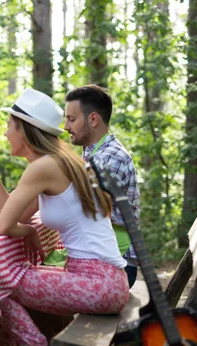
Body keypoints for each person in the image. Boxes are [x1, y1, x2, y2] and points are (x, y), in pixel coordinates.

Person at [0, 88, 129, 346]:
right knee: (1, 280)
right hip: (102, 279)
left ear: (24, 130)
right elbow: (16, 213)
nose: (5, 132)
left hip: (97, 284)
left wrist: (26, 232)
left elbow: (3, 225)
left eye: (9, 125)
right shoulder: (56, 162)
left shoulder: (43, 167)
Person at [64, 84, 141, 288]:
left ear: (93, 119)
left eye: (71, 119)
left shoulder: (110, 158)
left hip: (117, 265)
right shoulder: (92, 153)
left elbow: (81, 209)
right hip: (101, 255)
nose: (65, 126)